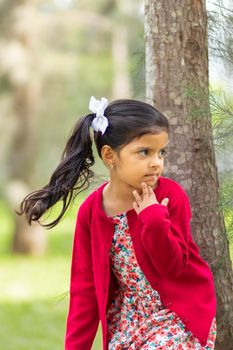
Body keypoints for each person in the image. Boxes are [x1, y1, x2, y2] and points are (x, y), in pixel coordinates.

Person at [18, 96, 217, 349]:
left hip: (179, 315)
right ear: (110, 156)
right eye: (144, 152)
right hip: (128, 321)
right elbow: (84, 289)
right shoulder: (91, 211)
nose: (156, 162)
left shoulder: (170, 196)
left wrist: (153, 217)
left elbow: (173, 267)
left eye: (161, 152)